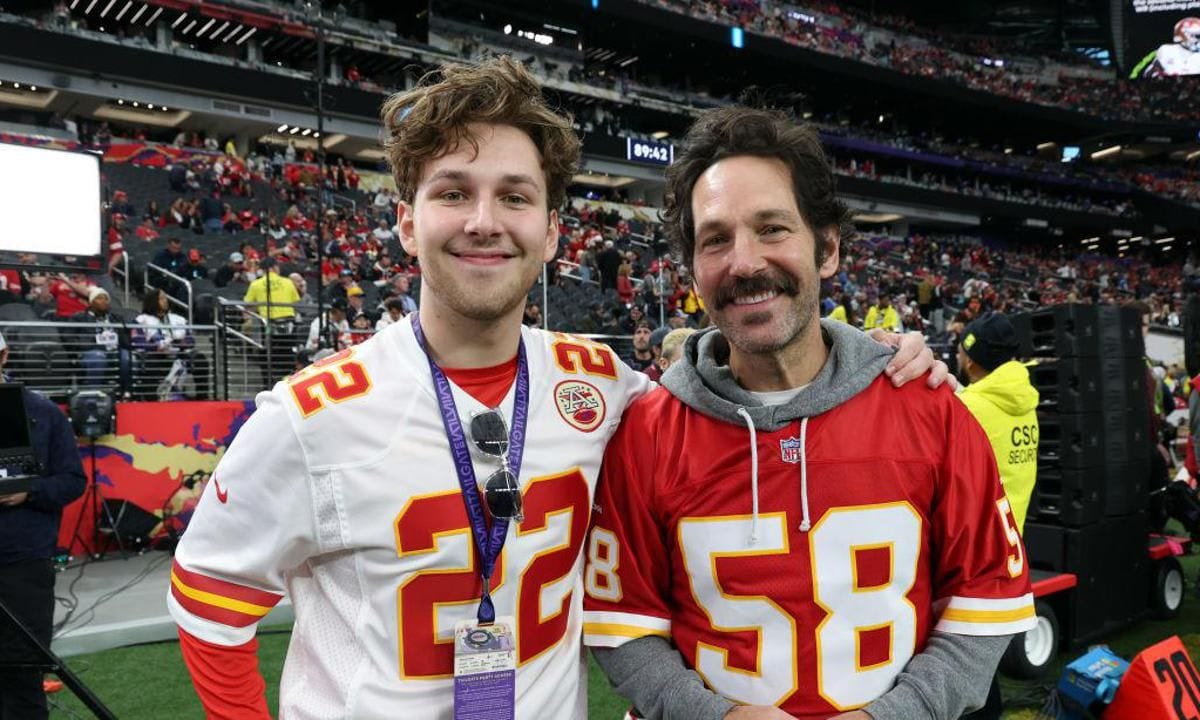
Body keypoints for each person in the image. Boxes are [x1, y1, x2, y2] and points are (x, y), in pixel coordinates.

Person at [169, 60, 946, 720]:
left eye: (514, 196)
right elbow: (208, 603)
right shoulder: (308, 418)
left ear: (550, 230)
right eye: (451, 193)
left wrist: (869, 354)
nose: (483, 221)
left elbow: (739, 385)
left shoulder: (604, 387)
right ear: (406, 223)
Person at [583, 106, 1033, 720]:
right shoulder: (645, 432)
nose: (744, 263)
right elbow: (621, 624)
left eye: (772, 228)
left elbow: (986, 603)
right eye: (716, 238)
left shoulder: (932, 409)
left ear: (827, 248)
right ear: (693, 268)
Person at [0, 331, 87, 720]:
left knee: (23, 669)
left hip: (23, 560)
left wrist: (28, 492)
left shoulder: (43, 412)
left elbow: (72, 480)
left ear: (3, 356)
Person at [956, 312, 1039, 531]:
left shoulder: (965, 408)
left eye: (960, 353)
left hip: (977, 547)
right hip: (1013, 541)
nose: (957, 358)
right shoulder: (1024, 401)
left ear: (971, 363)